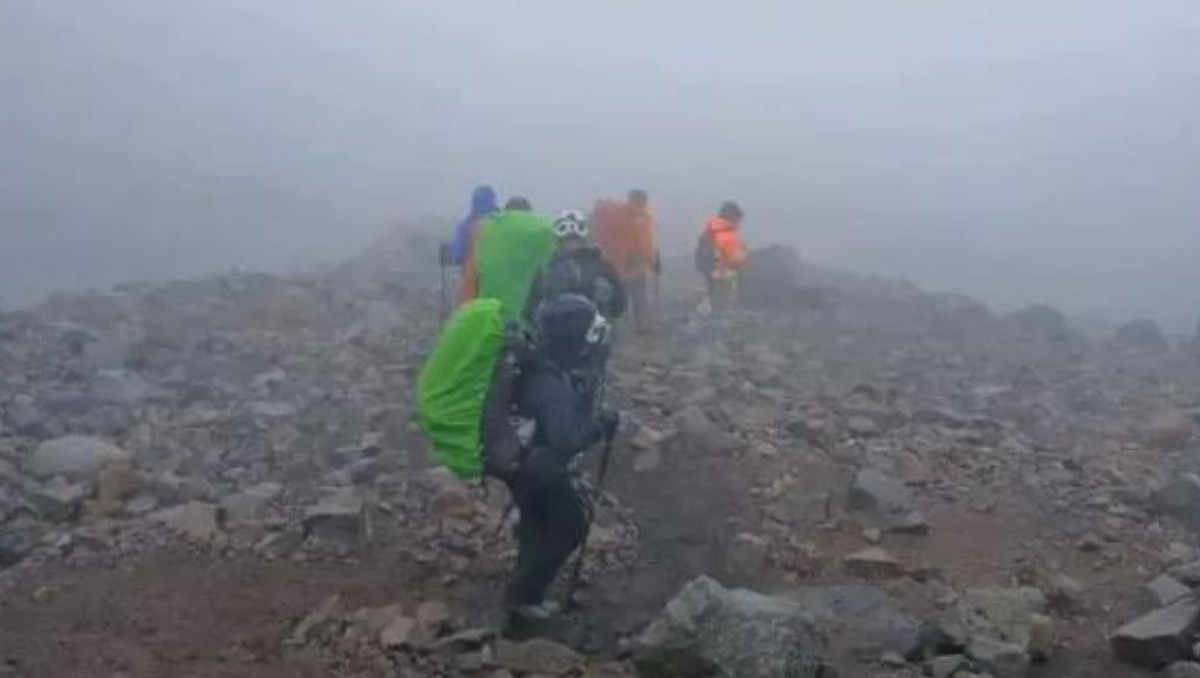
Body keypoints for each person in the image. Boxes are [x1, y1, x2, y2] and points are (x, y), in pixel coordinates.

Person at [505, 293, 618, 621]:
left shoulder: (542, 369)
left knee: (536, 527)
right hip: (543, 470)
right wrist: (600, 425)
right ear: (574, 340)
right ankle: (522, 594)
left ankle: (525, 597)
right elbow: (567, 439)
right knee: (571, 526)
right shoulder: (550, 382)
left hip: (523, 465)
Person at [458, 197, 558, 324]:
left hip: (487, 314)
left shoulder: (484, 228)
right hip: (527, 317)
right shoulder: (543, 230)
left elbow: (470, 276)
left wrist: (464, 314)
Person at [531, 210, 627, 321]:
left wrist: (609, 295)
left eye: (574, 240)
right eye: (567, 241)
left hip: (593, 327)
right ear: (559, 242)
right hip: (555, 327)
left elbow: (620, 304)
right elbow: (532, 303)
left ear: (583, 240)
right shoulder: (546, 267)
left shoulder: (601, 265)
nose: (571, 245)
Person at [591, 191, 658, 333]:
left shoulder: (613, 214)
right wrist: (652, 261)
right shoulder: (640, 218)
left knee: (618, 295)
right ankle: (641, 325)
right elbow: (644, 244)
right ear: (641, 201)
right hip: (635, 262)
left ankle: (617, 326)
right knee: (638, 294)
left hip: (613, 262)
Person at [697, 201, 748, 312]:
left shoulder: (711, 232)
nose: (739, 220)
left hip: (713, 274)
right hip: (724, 276)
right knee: (724, 306)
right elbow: (734, 259)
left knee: (715, 302)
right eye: (738, 217)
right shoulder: (725, 234)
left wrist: (709, 272)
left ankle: (712, 311)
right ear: (732, 217)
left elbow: (702, 257)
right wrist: (743, 252)